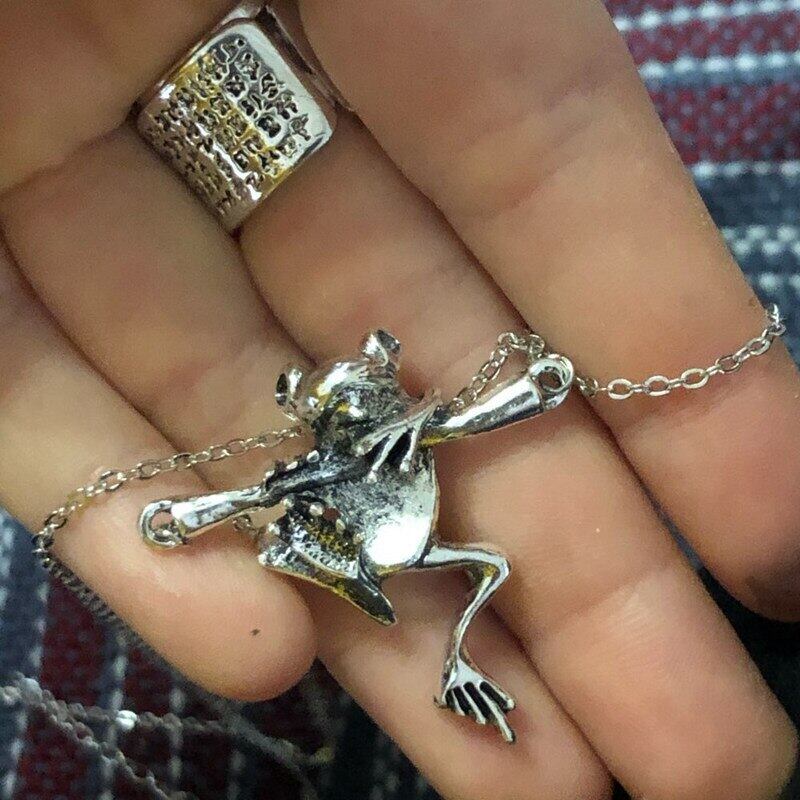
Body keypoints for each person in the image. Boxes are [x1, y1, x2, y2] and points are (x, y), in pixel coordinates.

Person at [0, 1, 798, 799]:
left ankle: (454, 660)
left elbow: (474, 420)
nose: (359, 414)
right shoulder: (351, 449)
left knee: (491, 564)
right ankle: (362, 592)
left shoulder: (401, 430)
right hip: (367, 542)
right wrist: (205, 510)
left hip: (403, 543)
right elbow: (275, 485)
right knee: (307, 516)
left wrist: (532, 391)